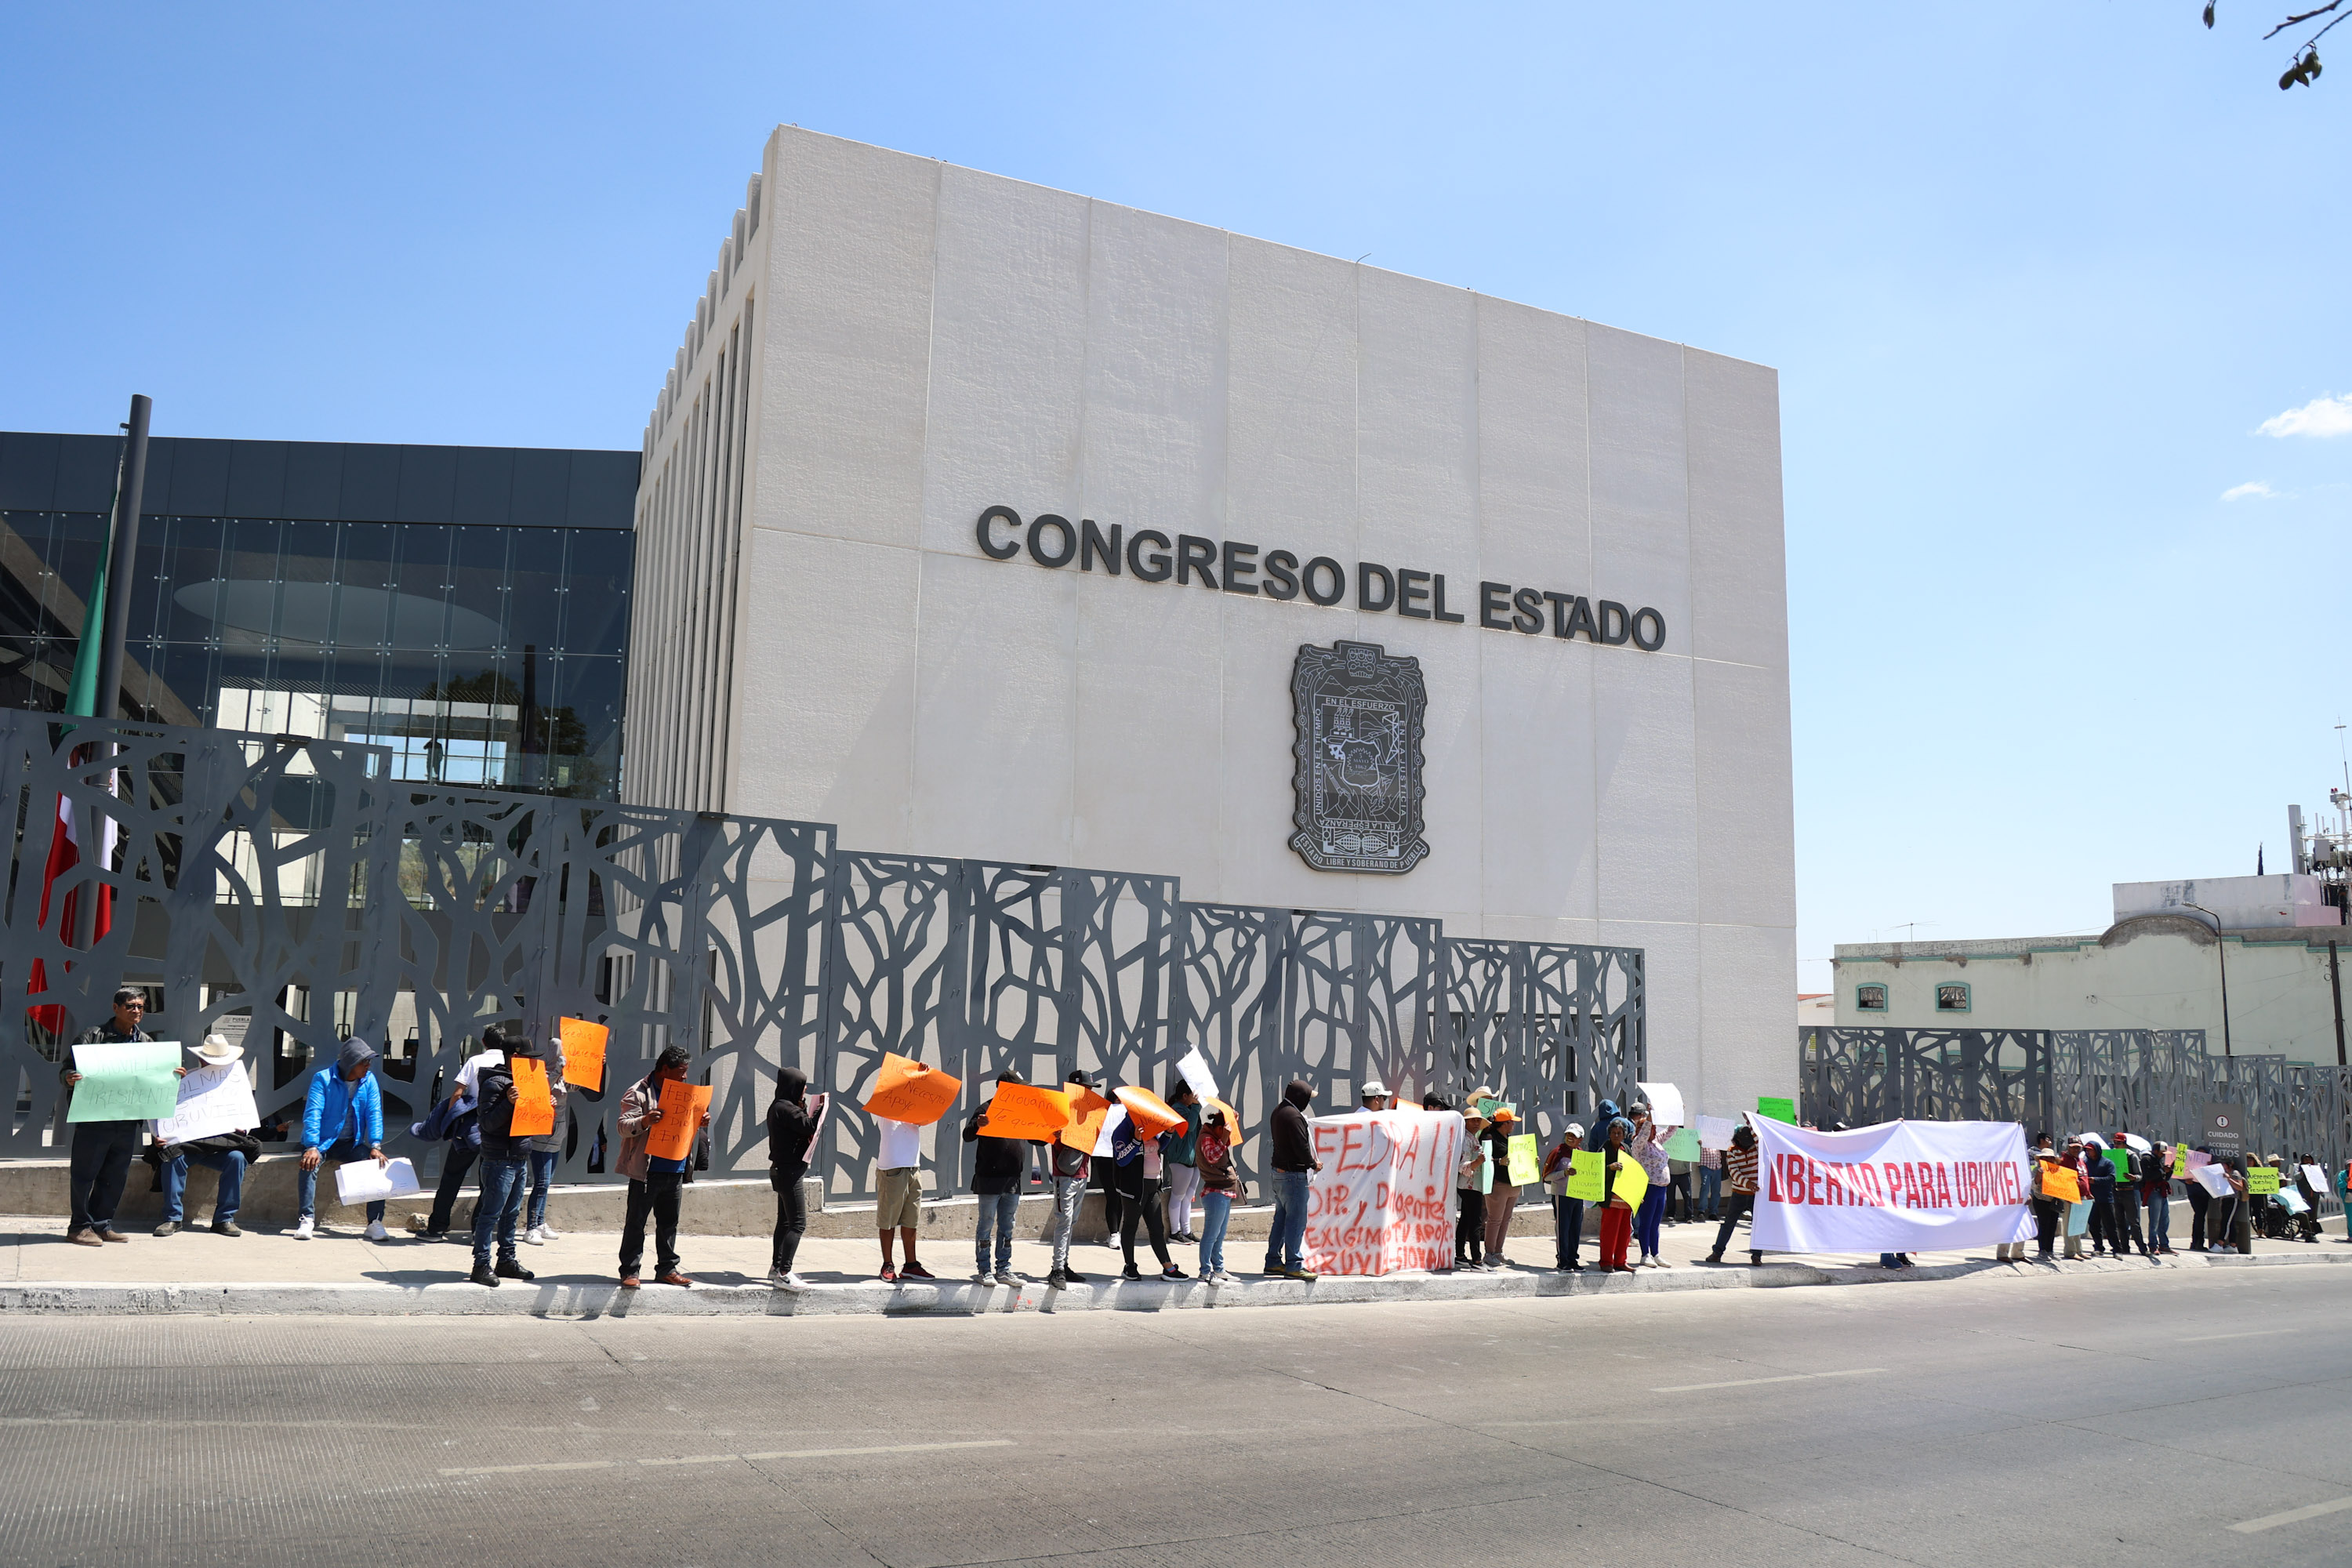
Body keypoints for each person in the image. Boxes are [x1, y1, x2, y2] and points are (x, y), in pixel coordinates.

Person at [60, 986, 179, 1246]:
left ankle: (102, 1224)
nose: (136, 1011)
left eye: (140, 1007)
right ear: (116, 1008)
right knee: (84, 1175)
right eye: (131, 1006)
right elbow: (67, 1069)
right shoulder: (92, 1037)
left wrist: (171, 1076)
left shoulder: (146, 1042)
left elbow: (152, 1080)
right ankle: (79, 1226)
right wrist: (70, 1078)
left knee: (114, 1176)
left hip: (127, 1121)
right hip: (94, 1120)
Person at [615, 1044, 709, 1289]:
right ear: (664, 1069)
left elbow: (686, 1124)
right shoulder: (638, 1092)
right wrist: (645, 1120)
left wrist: (701, 1120)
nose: (685, 1076)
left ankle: (667, 1269)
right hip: (647, 1171)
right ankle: (630, 1271)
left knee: (669, 1223)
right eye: (681, 1071)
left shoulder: (683, 1093)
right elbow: (623, 1127)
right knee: (636, 1223)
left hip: (675, 1169)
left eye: (686, 1071)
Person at [152, 1033, 256, 1238]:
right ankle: (173, 1218)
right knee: (173, 1157)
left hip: (220, 1146)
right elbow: (161, 1112)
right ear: (201, 1060)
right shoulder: (186, 1079)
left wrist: (242, 1129)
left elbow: (245, 1118)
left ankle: (224, 1219)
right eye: (210, 1061)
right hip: (190, 1145)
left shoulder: (235, 1082)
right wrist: (158, 1135)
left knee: (237, 1159)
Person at [294, 1038, 390, 1240]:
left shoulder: (369, 1080)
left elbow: (374, 1113)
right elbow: (313, 1113)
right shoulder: (323, 1079)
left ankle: (374, 1222)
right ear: (352, 1063)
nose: (368, 1066)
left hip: (351, 1143)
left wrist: (375, 1144)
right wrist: (312, 1146)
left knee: (377, 1165)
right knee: (308, 1165)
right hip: (322, 1142)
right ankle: (306, 1219)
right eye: (365, 1062)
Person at [415, 1034, 502, 1240]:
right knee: (488, 1184)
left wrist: (452, 1123)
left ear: (483, 1042)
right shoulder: (511, 1064)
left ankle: (437, 1228)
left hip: (470, 1129)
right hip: (496, 1132)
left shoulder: (475, 1061)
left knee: (451, 1178)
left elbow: (457, 1093)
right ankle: (479, 1232)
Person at [467, 1029, 535, 1287]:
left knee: (511, 1214)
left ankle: (506, 1260)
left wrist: (544, 1105)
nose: (533, 1063)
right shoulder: (494, 1083)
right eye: (529, 1058)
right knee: (491, 1214)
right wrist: (508, 1102)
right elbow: (488, 1123)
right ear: (515, 1057)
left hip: (519, 1157)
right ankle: (481, 1265)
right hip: (499, 1160)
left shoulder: (527, 1082)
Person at [963, 1070, 1035, 1286]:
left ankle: (1003, 1269)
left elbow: (1037, 1138)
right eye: (1018, 1086)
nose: (1022, 1089)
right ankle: (984, 1269)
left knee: (1007, 1226)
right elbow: (967, 1135)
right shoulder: (985, 1109)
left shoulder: (1022, 1111)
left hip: (1012, 1180)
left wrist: (1052, 1132)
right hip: (989, 1180)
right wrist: (978, 1124)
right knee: (986, 1225)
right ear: (1005, 1088)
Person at [1110, 1102, 1183, 1280]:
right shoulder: (1122, 1131)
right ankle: (1130, 1267)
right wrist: (1135, 1140)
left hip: (1153, 1185)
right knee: (1130, 1226)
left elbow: (1159, 1148)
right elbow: (1121, 1159)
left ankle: (1168, 1268)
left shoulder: (1149, 1129)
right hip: (1134, 1187)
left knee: (1157, 1228)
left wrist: (1168, 1134)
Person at [1262, 1078, 1318, 1281]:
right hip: (1294, 1176)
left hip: (1279, 1174)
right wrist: (1313, 1164)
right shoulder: (1294, 1116)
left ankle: (1273, 1261)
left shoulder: (1279, 1111)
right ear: (1300, 1098)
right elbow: (1301, 1147)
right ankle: (1294, 1264)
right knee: (1296, 1221)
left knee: (1282, 1219)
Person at [767, 1065, 816, 1289]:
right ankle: (784, 1272)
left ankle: (776, 1267)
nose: (804, 1090)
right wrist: (820, 1109)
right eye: (802, 1086)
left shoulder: (780, 1106)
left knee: (785, 1222)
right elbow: (809, 1126)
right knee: (797, 1223)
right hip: (789, 1173)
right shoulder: (786, 1108)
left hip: (782, 1170)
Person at [871, 1108, 931, 1283]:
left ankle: (911, 1265)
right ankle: (887, 1264)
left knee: (911, 1220)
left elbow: (927, 1117)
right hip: (892, 1167)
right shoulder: (887, 1106)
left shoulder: (915, 1107)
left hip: (913, 1166)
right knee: (888, 1219)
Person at [1046, 1069, 1094, 1289]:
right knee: (1064, 1221)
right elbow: (1046, 1136)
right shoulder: (1061, 1111)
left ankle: (1063, 1265)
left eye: (1091, 1089)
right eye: (1086, 1088)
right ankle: (1057, 1269)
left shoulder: (1089, 1114)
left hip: (1081, 1174)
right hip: (1064, 1176)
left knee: (1071, 1222)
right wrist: (1059, 1136)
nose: (1089, 1092)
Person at [521, 1040, 568, 1247]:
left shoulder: (564, 1077)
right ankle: (531, 1226)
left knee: (547, 1183)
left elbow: (580, 1085)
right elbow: (542, 1089)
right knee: (541, 1182)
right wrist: (558, 1068)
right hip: (541, 1134)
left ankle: (540, 1222)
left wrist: (597, 1066)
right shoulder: (540, 1074)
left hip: (557, 1134)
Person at [1704, 1122, 1761, 1265]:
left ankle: (1756, 1256)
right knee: (1729, 1223)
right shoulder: (1732, 1151)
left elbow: (1758, 1137)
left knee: (1758, 1225)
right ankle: (1717, 1252)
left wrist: (1750, 1120)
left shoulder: (1757, 1148)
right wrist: (1748, 1184)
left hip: (1756, 1195)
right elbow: (1734, 1172)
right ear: (1738, 1139)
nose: (1748, 1145)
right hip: (1739, 1193)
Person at [1196, 1106, 1240, 1283]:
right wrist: (1223, 1138)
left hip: (1223, 1193)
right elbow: (1212, 1157)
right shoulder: (1206, 1138)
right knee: (1211, 1235)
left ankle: (1219, 1269)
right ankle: (1205, 1271)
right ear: (1219, 1128)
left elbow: (1222, 1148)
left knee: (1219, 1235)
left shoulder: (1215, 1137)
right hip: (1215, 1194)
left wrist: (1233, 1120)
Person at [1628, 1104, 1672, 1267]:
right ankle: (1645, 1254)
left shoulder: (1656, 1142)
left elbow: (1670, 1131)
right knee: (1646, 1222)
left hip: (1662, 1188)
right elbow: (1645, 1131)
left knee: (1656, 1223)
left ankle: (1656, 1253)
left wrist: (1676, 1113)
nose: (1654, 1131)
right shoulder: (1639, 1145)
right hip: (1649, 1187)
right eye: (1652, 1128)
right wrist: (1651, 1115)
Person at [1541, 1121, 1585, 1272]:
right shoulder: (1558, 1152)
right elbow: (1547, 1176)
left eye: (1574, 1136)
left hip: (1578, 1196)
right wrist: (1565, 1173)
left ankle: (1573, 1259)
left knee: (1575, 1228)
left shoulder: (1581, 1154)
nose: (1571, 1138)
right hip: (1562, 1195)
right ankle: (1563, 1260)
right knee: (1563, 1228)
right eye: (1568, 1135)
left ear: (1581, 1139)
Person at [1163, 1080, 1203, 1243]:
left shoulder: (1189, 1108)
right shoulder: (1178, 1109)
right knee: (1178, 1196)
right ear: (1185, 1096)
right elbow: (1190, 1127)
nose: (1196, 1098)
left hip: (1192, 1159)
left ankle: (1186, 1230)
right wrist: (1196, 1107)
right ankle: (1175, 1232)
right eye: (1193, 1095)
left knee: (1188, 1197)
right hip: (1180, 1159)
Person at [1597, 1117, 1636, 1273]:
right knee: (1609, 1232)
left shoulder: (1626, 1149)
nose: (1616, 1135)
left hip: (1625, 1198)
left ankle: (1621, 1261)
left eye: (1619, 1133)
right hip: (1610, 1199)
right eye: (1613, 1133)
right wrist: (1609, 1168)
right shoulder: (1603, 1150)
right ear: (1609, 1134)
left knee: (1624, 1232)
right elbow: (1596, 1173)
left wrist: (1636, 1194)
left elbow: (1633, 1173)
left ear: (1624, 1135)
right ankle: (1606, 1262)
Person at [1482, 1107, 1519, 1266]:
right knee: (1495, 1220)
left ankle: (1498, 1251)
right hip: (1498, 1185)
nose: (1514, 1125)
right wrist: (1499, 1162)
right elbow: (1484, 1158)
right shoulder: (1489, 1137)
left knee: (1506, 1220)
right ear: (1505, 1124)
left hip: (1513, 1185)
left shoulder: (1509, 1138)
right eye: (1512, 1122)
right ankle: (1489, 1253)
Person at [1454, 1104, 1489, 1270]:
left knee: (1466, 1221)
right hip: (1469, 1186)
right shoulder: (1466, 1140)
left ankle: (1460, 1255)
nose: (1476, 1123)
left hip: (1470, 1186)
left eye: (1478, 1121)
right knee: (1475, 1222)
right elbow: (1462, 1166)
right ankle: (1477, 1261)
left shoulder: (1471, 1138)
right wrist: (1477, 1163)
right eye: (1473, 1120)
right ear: (1466, 1123)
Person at [2143, 1142, 2176, 1254]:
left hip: (2162, 1192)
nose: (2164, 1155)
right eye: (2162, 1153)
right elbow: (2148, 1176)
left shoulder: (2160, 1161)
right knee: (2154, 1221)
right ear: (2156, 1151)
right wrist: (2162, 1170)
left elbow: (2165, 1178)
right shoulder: (2147, 1159)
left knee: (2165, 1220)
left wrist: (2170, 1169)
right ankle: (2153, 1245)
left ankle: (2164, 1244)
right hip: (2154, 1192)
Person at [2183, 1144, 2213, 1250]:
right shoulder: (2190, 1161)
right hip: (2193, 1193)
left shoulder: (2210, 1164)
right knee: (2199, 1216)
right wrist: (2186, 1181)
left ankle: (2196, 1242)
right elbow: (2179, 1173)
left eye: (2204, 1154)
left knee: (2199, 1217)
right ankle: (2198, 1242)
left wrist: (2210, 1167)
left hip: (2204, 1193)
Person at [1697, 1139, 1723, 1221]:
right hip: (1705, 1165)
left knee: (1716, 1190)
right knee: (1705, 1188)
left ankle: (1713, 1212)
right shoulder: (1701, 1134)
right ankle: (1702, 1211)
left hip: (1717, 1166)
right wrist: (1699, 1143)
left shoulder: (1717, 1137)